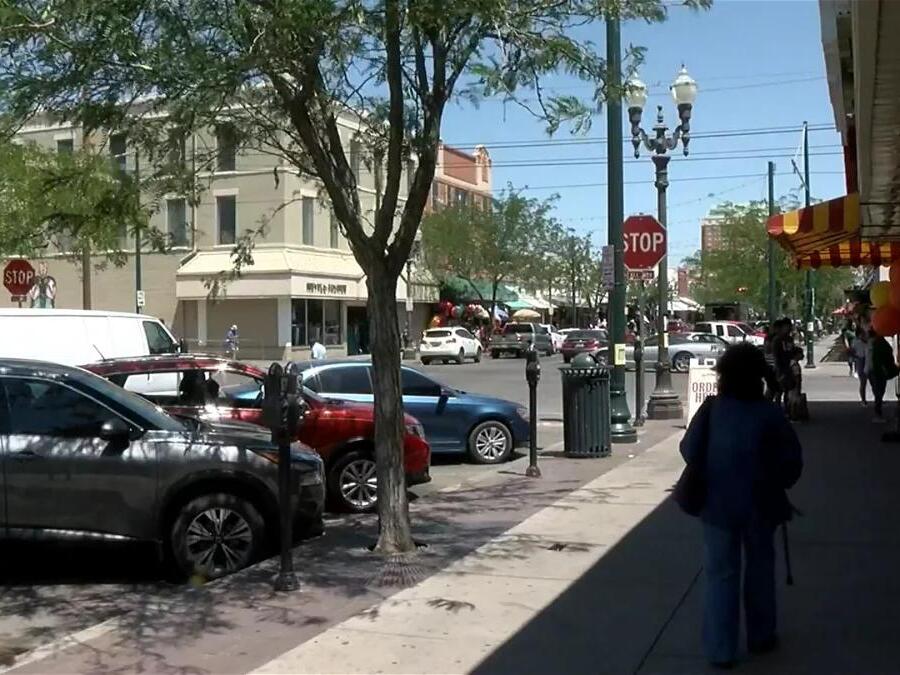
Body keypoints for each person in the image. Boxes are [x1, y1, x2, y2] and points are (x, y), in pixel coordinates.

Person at [681, 343, 803, 668]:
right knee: (760, 569)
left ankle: (721, 650)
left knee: (721, 574)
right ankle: (761, 635)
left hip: (717, 506)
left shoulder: (711, 409)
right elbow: (793, 464)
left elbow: (690, 451)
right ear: (757, 377)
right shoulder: (769, 414)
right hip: (761, 506)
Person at [865, 328, 898, 422]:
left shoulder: (872, 343)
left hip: (873, 371)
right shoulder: (879, 343)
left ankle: (878, 413)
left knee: (877, 392)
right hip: (878, 372)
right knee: (879, 392)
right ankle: (878, 414)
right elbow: (881, 359)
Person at [851, 328, 869, 405]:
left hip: (866, 360)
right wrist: (856, 357)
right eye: (863, 334)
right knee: (863, 382)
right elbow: (852, 351)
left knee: (870, 381)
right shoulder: (856, 342)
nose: (865, 335)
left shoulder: (866, 341)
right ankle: (863, 400)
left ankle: (876, 398)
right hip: (861, 360)